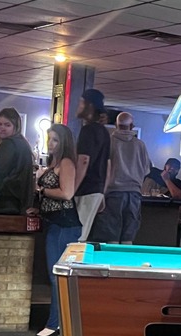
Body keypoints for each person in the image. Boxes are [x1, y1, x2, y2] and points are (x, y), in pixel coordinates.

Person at [31, 124, 81, 336]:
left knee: (56, 276)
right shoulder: (55, 163)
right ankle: (57, 322)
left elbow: (67, 193)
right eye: (49, 139)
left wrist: (42, 190)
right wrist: (39, 207)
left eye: (55, 140)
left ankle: (54, 324)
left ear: (64, 143)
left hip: (64, 224)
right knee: (56, 275)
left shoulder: (67, 162)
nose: (50, 144)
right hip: (55, 222)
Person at [89, 112, 150, 244]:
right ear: (132, 126)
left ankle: (111, 263)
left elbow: (101, 170)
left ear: (116, 125)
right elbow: (146, 170)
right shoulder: (140, 145)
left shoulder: (108, 143)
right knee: (128, 238)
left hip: (113, 194)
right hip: (134, 194)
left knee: (111, 237)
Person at [74, 89, 111, 241]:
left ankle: (72, 264)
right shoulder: (104, 132)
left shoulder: (87, 130)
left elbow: (84, 160)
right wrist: (103, 192)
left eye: (81, 102)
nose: (78, 106)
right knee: (84, 233)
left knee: (77, 235)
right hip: (97, 189)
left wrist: (72, 188)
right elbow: (109, 166)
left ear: (88, 106)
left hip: (86, 188)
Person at [0, 108, 34, 215]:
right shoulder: (23, 143)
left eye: (7, 125)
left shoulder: (9, 144)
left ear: (15, 126)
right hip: (18, 203)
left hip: (5, 203)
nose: (2, 128)